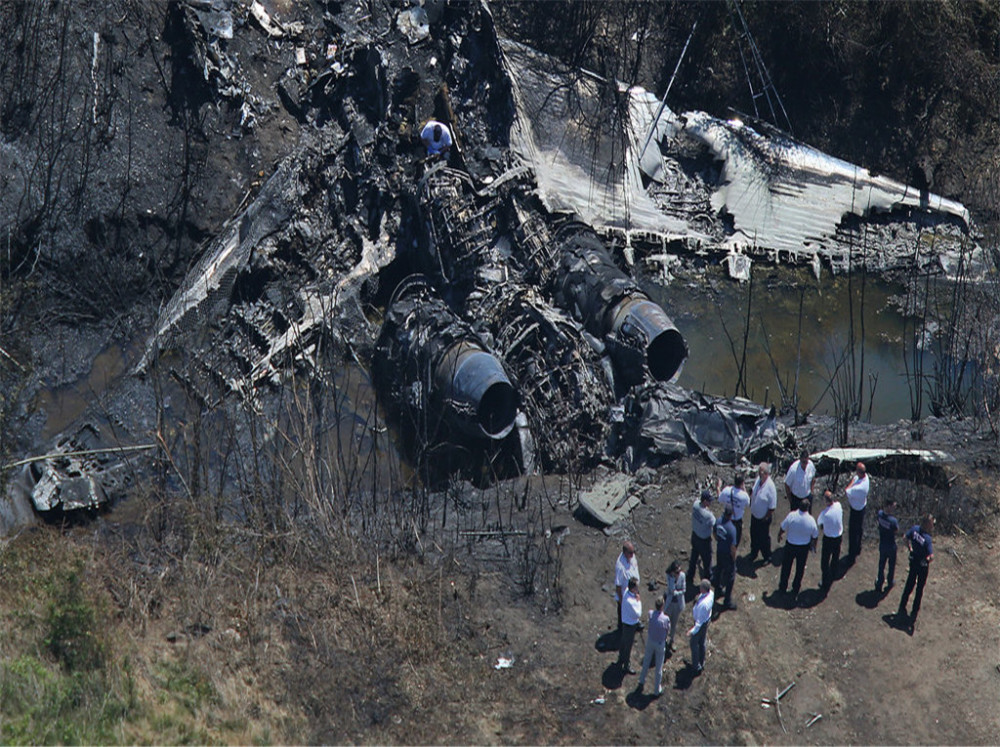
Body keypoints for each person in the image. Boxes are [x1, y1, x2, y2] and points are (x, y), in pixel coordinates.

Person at [897, 514, 934, 629]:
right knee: (919, 589)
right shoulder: (927, 539)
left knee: (909, 584)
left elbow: (905, 537)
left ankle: (902, 605)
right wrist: (928, 559)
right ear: (928, 524)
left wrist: (910, 548)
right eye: (932, 523)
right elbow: (931, 556)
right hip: (922, 566)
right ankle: (914, 612)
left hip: (913, 561)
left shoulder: (914, 529)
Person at [777, 499, 818, 597]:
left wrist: (779, 535)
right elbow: (815, 536)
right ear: (808, 508)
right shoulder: (811, 520)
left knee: (786, 567)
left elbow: (783, 527)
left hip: (790, 545)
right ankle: (795, 588)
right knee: (800, 569)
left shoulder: (792, 516)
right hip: (803, 548)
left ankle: (783, 586)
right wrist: (813, 546)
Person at [637, 597, 670, 696]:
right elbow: (667, 630)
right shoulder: (665, 619)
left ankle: (641, 680)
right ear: (662, 606)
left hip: (650, 641)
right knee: (658, 667)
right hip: (660, 643)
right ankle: (656, 690)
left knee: (646, 661)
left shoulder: (651, 614)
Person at [748, 462, 777, 563]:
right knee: (754, 535)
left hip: (763, 519)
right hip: (754, 516)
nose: (759, 474)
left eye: (761, 473)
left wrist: (765, 517)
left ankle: (767, 556)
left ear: (766, 474)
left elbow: (772, 507)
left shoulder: (770, 487)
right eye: (759, 472)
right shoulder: (758, 480)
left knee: (764, 539)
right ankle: (754, 552)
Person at [816, 490, 844, 592]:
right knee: (835, 558)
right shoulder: (839, 506)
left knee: (825, 562)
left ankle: (825, 582)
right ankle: (833, 574)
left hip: (828, 539)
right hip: (838, 537)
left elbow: (819, 523)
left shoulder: (824, 514)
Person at [687, 490, 715, 588]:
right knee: (707, 561)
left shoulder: (695, 505)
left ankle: (690, 575)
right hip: (704, 541)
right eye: (709, 501)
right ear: (704, 501)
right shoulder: (708, 515)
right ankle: (708, 579)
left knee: (694, 556)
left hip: (695, 536)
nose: (710, 502)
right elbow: (714, 525)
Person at [713, 505, 738, 611]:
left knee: (719, 570)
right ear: (731, 515)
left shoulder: (718, 521)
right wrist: (734, 558)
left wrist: (719, 541)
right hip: (727, 555)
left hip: (719, 551)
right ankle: (727, 601)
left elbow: (714, 534)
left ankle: (718, 590)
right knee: (730, 577)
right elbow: (733, 548)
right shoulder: (731, 529)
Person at [688, 580, 714, 675]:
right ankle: (702, 661)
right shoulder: (711, 593)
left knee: (694, 643)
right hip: (706, 620)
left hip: (701, 624)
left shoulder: (703, 605)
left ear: (703, 589)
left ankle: (696, 666)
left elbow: (699, 623)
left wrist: (692, 631)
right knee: (702, 641)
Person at [845, 462, 870, 558]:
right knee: (859, 529)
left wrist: (852, 481)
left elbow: (847, 490)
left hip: (856, 510)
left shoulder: (858, 488)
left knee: (853, 533)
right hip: (862, 507)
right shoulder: (866, 478)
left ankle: (852, 554)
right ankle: (858, 548)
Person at [717, 474, 751, 547]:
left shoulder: (726, 490)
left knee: (725, 539)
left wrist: (718, 487)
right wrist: (744, 489)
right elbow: (748, 504)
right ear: (742, 483)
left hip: (726, 519)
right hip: (737, 522)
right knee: (735, 542)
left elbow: (719, 499)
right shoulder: (744, 496)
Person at [875, 499, 900, 593]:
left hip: (882, 544)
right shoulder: (893, 521)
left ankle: (879, 583)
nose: (894, 508)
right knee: (891, 565)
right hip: (891, 545)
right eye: (893, 506)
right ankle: (890, 582)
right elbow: (896, 530)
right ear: (889, 506)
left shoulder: (880, 514)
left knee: (881, 565)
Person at [614, 541, 639, 632]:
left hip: (634, 590)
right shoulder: (620, 566)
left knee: (634, 610)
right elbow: (618, 586)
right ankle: (621, 631)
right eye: (630, 553)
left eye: (633, 552)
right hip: (625, 596)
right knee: (623, 616)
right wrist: (622, 601)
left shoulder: (632, 556)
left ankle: (635, 624)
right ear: (625, 552)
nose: (633, 555)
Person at [618, 577, 642, 674]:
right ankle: (626, 665)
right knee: (628, 645)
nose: (638, 590)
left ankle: (621, 657)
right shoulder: (631, 601)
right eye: (636, 588)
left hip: (625, 622)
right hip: (630, 625)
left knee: (624, 641)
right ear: (632, 589)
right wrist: (639, 601)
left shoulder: (626, 592)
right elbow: (638, 614)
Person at [663, 561, 686, 653]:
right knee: (666, 623)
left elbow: (684, 590)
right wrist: (673, 580)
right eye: (676, 572)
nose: (678, 574)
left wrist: (676, 592)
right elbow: (671, 590)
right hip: (669, 604)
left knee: (674, 623)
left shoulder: (682, 576)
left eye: (679, 571)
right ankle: (664, 640)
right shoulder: (669, 577)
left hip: (677, 604)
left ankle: (671, 640)